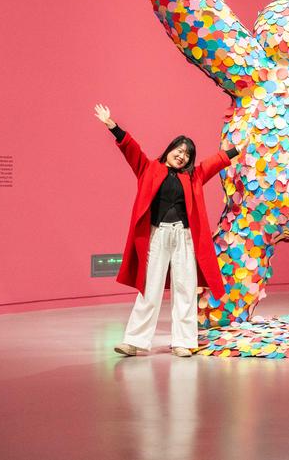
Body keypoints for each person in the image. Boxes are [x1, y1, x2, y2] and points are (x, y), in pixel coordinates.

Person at [93, 104, 239, 358]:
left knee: (185, 289)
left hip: (184, 237)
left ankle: (183, 341)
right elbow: (131, 149)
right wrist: (112, 126)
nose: (181, 156)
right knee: (149, 289)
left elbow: (214, 162)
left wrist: (237, 149)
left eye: (187, 155)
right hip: (157, 235)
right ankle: (134, 341)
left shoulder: (193, 177)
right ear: (169, 150)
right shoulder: (149, 168)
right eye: (178, 151)